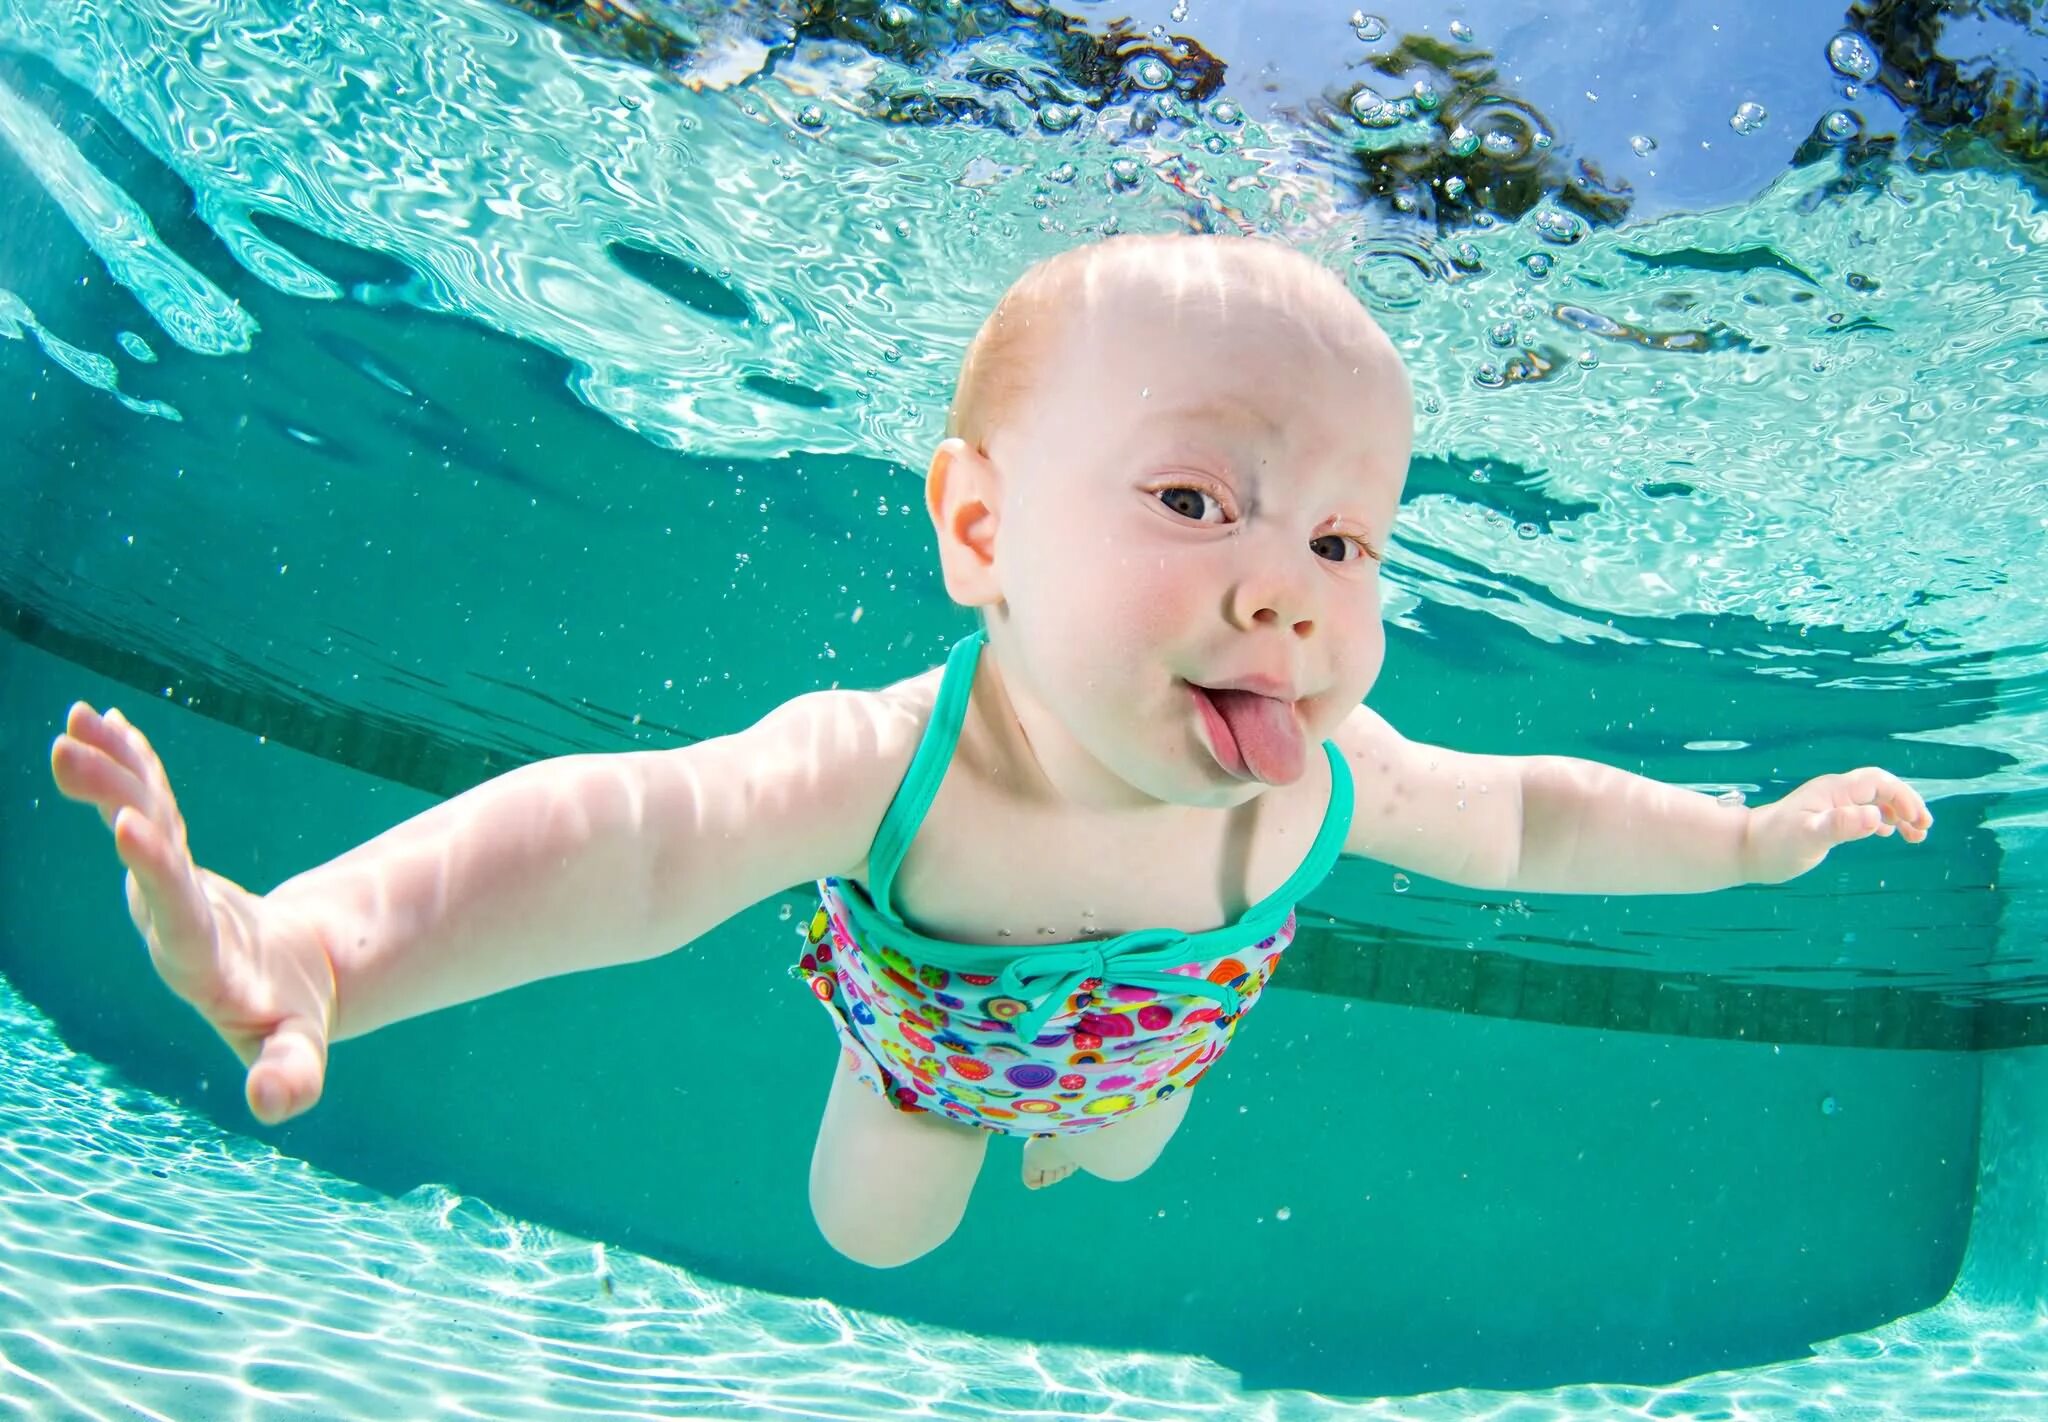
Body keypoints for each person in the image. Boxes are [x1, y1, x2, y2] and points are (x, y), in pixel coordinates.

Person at [49, 234, 1933, 1270]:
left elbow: (1533, 817)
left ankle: (1085, 1133)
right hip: (927, 1058)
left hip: (1160, 1039)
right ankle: (968, 1124)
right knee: (878, 1226)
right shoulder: (887, 763)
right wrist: (320, 944)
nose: (1289, 592)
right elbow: (627, 842)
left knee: (1120, 1151)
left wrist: (1749, 838)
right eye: (1200, 496)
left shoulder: (1322, 772)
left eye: (1345, 543)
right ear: (977, 534)